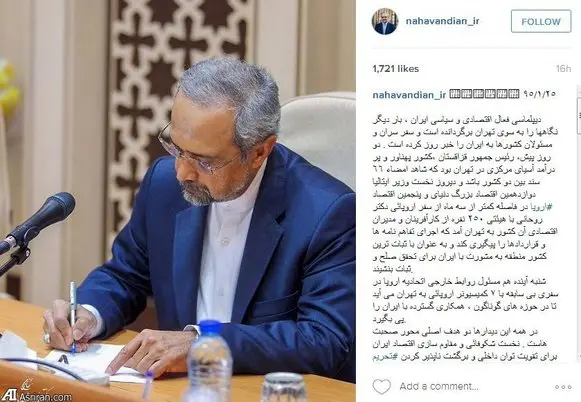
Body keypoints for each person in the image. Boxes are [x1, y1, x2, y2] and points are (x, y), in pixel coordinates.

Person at [41, 57, 356, 383]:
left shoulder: (328, 213)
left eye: (204, 162)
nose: (182, 172)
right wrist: (88, 313)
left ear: (260, 152)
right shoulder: (163, 184)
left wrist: (203, 343)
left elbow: (325, 340)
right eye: (177, 149)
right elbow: (126, 275)